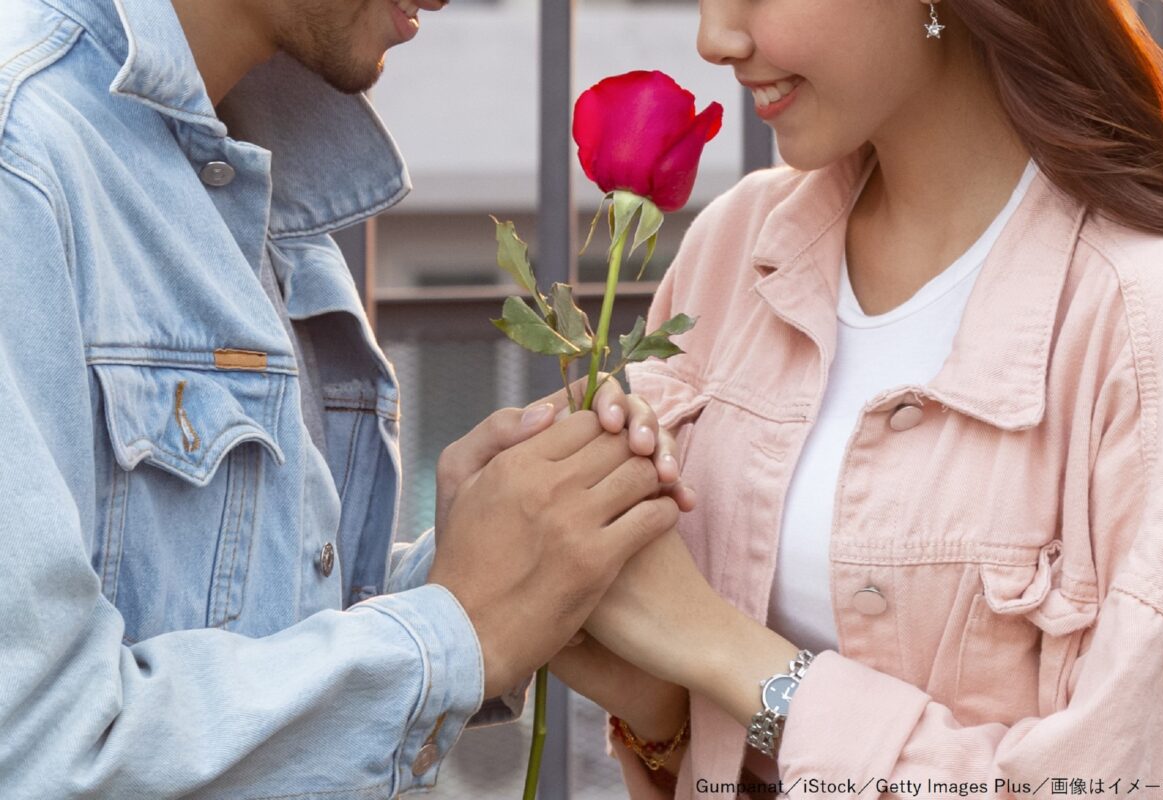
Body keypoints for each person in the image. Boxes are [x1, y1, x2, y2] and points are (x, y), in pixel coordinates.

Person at [0, 0, 691, 796]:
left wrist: (487, 561)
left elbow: (244, 625)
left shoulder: (241, 153)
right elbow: (37, 752)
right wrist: (457, 628)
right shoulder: (26, 154)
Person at [549, 0, 1163, 798]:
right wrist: (655, 705)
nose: (715, 39)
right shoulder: (739, 247)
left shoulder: (1152, 324)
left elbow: (1126, 780)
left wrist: (720, 649)